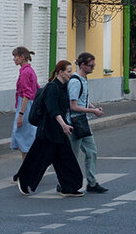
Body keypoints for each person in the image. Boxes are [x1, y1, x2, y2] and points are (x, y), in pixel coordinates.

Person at [15, 60, 84, 197]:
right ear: (60, 72)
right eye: (68, 71)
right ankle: (24, 180)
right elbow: (53, 110)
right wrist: (64, 124)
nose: (71, 74)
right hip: (48, 131)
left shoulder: (64, 87)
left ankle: (69, 187)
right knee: (37, 159)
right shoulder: (53, 88)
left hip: (58, 131)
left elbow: (66, 107)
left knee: (65, 160)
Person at [69, 52, 108, 193]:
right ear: (82, 65)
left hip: (83, 122)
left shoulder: (83, 80)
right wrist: (93, 112)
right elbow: (73, 106)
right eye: (91, 66)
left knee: (92, 151)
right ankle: (65, 182)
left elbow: (82, 99)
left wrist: (93, 107)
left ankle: (91, 183)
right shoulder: (75, 81)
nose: (93, 68)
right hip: (74, 123)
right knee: (72, 156)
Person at [9, 46, 38, 157]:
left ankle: (27, 169)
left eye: (15, 56)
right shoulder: (29, 71)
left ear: (21, 57)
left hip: (25, 106)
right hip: (29, 105)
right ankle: (27, 169)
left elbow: (27, 94)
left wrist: (21, 114)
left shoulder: (25, 72)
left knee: (22, 138)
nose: (14, 59)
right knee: (25, 137)